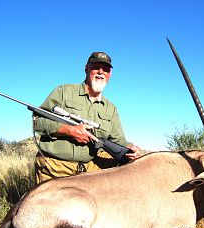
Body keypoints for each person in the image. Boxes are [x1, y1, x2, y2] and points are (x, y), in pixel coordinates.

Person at [34, 51, 141, 183]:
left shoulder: (111, 108)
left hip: (88, 172)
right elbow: (38, 122)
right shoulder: (63, 91)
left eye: (106, 69)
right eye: (96, 67)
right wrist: (69, 130)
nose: (101, 72)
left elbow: (118, 140)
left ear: (110, 74)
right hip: (55, 168)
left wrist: (132, 149)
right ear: (86, 68)